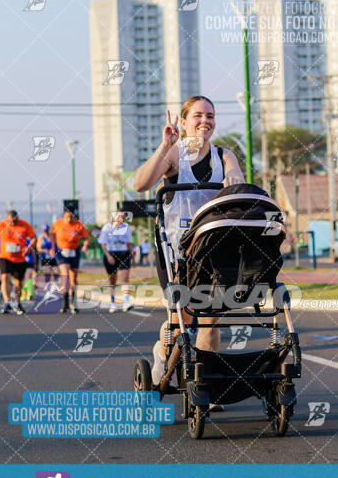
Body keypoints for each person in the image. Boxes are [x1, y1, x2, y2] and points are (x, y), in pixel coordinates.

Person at [134, 96, 245, 401]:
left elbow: (237, 184)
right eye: (197, 115)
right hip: (176, 250)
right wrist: (165, 145)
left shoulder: (224, 156)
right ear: (183, 122)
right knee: (179, 315)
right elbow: (140, 184)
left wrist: (234, 184)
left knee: (211, 317)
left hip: (211, 248)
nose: (204, 121)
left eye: (210, 115)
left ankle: (205, 382)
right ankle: (163, 359)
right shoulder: (174, 154)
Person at [0, 210, 36, 314]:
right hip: (5, 257)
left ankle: (18, 303)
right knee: (5, 277)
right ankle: (7, 303)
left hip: (20, 258)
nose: (13, 223)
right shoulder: (0, 225)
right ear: (7, 219)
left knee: (18, 282)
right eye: (11, 221)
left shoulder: (24, 225)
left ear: (17, 218)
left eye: (15, 221)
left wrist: (29, 247)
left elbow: (33, 238)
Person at [51, 209, 89, 314]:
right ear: (64, 216)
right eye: (67, 217)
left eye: (71, 217)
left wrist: (85, 245)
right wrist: (52, 247)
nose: (69, 219)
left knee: (74, 279)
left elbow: (86, 237)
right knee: (65, 275)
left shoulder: (78, 225)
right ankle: (65, 302)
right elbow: (53, 236)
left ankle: (73, 302)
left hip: (74, 251)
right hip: (61, 252)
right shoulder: (57, 224)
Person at [98, 211, 134, 313]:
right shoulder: (107, 227)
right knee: (112, 280)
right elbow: (103, 244)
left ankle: (126, 302)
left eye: (123, 218)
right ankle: (113, 302)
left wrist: (132, 256)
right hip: (111, 254)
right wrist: (108, 256)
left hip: (123, 254)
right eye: (120, 218)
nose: (121, 220)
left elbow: (129, 243)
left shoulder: (126, 227)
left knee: (125, 278)